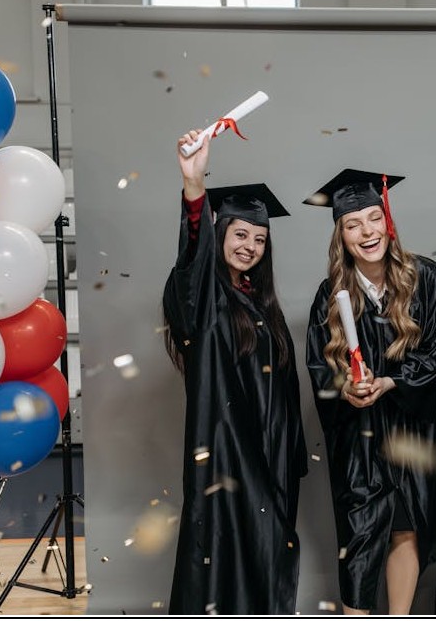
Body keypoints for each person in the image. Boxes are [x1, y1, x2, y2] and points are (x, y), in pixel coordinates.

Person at [162, 130, 308, 615]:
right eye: (240, 234)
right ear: (219, 233)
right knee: (226, 561)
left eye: (259, 239)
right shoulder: (204, 299)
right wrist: (194, 184)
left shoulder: (260, 303)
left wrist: (290, 454)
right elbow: (192, 263)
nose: (250, 246)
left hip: (272, 458)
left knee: (268, 559)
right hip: (227, 457)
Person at [304, 169, 436, 615]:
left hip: (409, 431)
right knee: (360, 539)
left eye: (374, 218)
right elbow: (319, 368)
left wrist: (391, 382)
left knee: (407, 529)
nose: (367, 232)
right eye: (353, 224)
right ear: (341, 236)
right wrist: (346, 387)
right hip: (360, 439)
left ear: (388, 221)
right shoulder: (330, 296)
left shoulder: (425, 277)